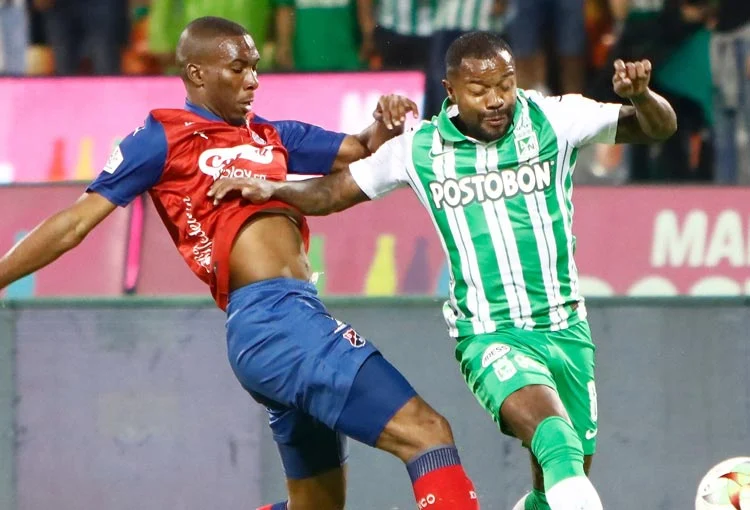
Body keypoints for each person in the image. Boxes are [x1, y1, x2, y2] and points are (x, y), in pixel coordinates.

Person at [0, 17, 482, 510]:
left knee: (317, 506)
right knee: (427, 433)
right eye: (237, 68)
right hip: (272, 321)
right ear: (196, 73)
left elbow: (360, 150)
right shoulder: (162, 137)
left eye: (254, 67)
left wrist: (385, 120)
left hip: (293, 318)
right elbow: (74, 223)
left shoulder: (271, 135)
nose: (252, 80)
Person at [211, 31, 678, 510]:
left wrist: (641, 96)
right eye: (480, 90)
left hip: (567, 330)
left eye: (506, 84)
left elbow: (658, 128)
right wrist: (274, 189)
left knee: (554, 487)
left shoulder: (554, 118)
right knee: (555, 439)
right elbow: (335, 193)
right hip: (492, 334)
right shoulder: (420, 149)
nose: (497, 100)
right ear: (451, 90)